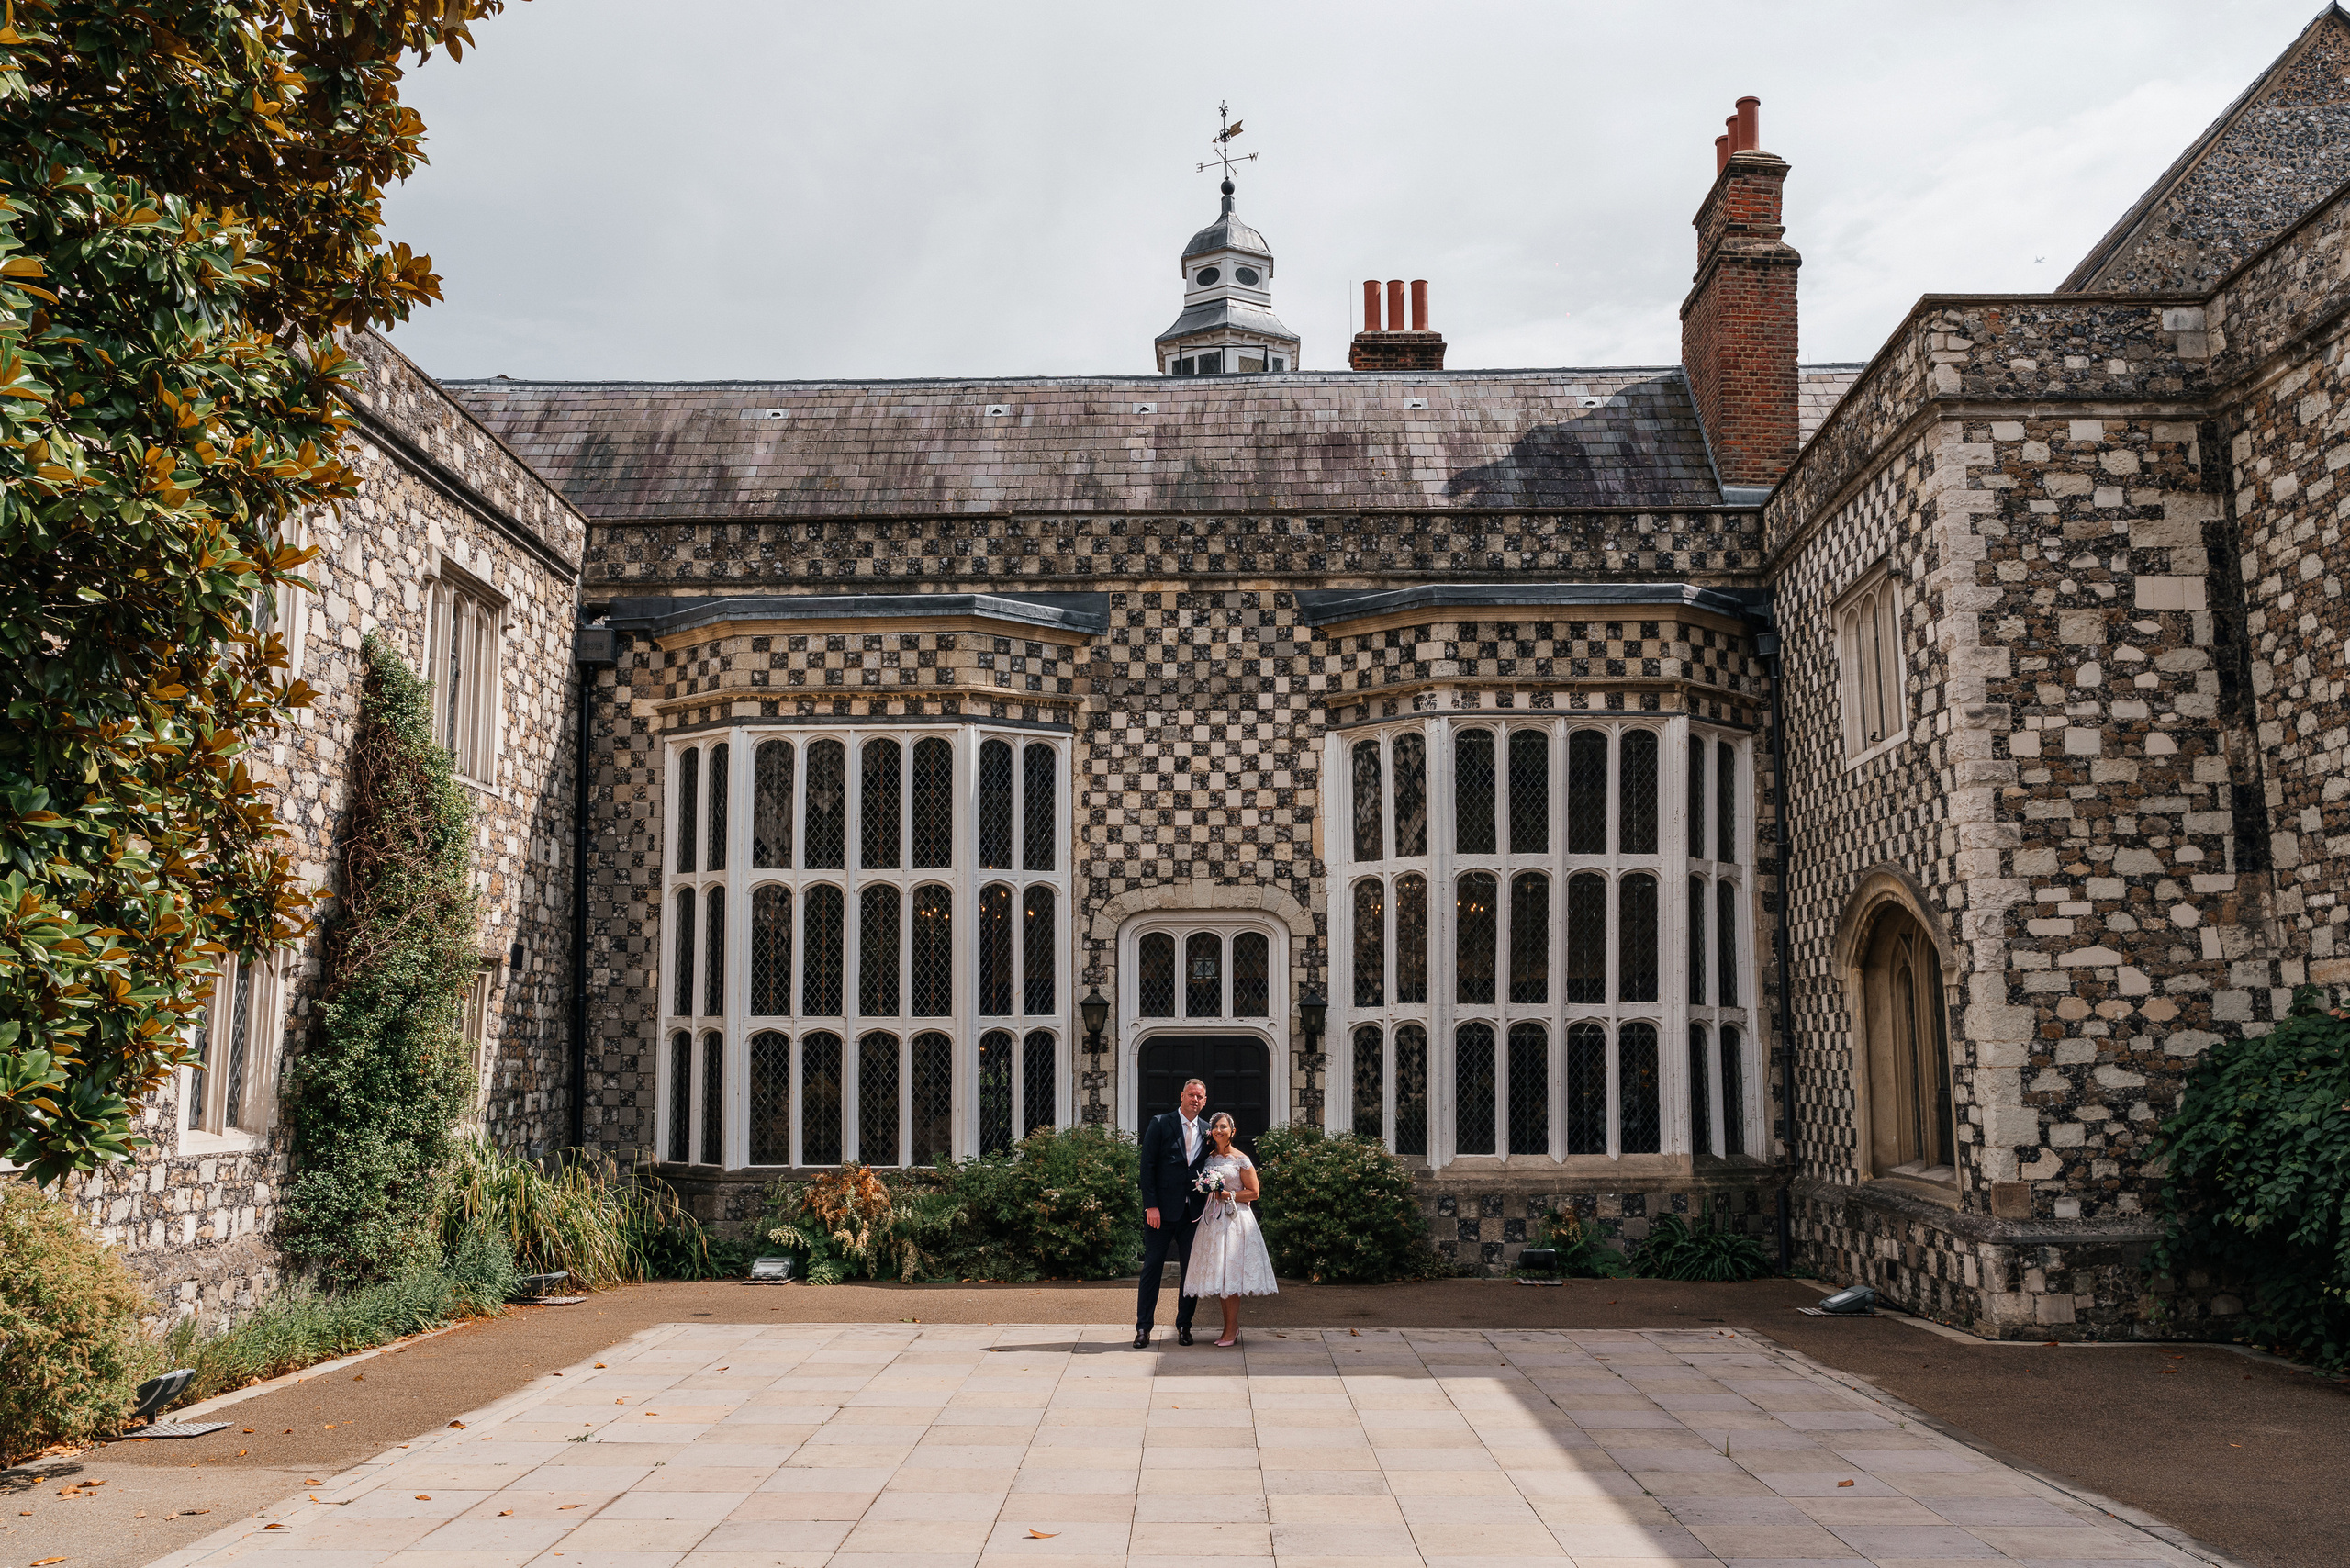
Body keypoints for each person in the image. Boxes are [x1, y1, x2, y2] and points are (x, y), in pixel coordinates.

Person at [1182, 1111, 1278, 1346]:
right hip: (1213, 1222)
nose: (1219, 1130)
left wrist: (1228, 1195)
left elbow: (1254, 1193)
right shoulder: (1208, 1159)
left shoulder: (1241, 1159)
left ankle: (1230, 1329)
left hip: (1235, 1221)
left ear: (1232, 1132)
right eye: (1215, 1127)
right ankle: (1229, 1328)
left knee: (1232, 1277)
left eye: (1223, 1127)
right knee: (1221, 1278)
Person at [1135, 1076, 1211, 1348]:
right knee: (1152, 1268)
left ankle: (1184, 1326)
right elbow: (1147, 1166)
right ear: (1181, 1096)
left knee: (1190, 1273)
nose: (1195, 1100)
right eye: (1191, 1095)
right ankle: (1143, 1328)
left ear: (1205, 1101)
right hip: (1161, 1212)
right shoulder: (1160, 1123)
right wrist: (1150, 1205)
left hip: (1193, 1214)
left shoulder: (1207, 1129)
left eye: (1200, 1097)